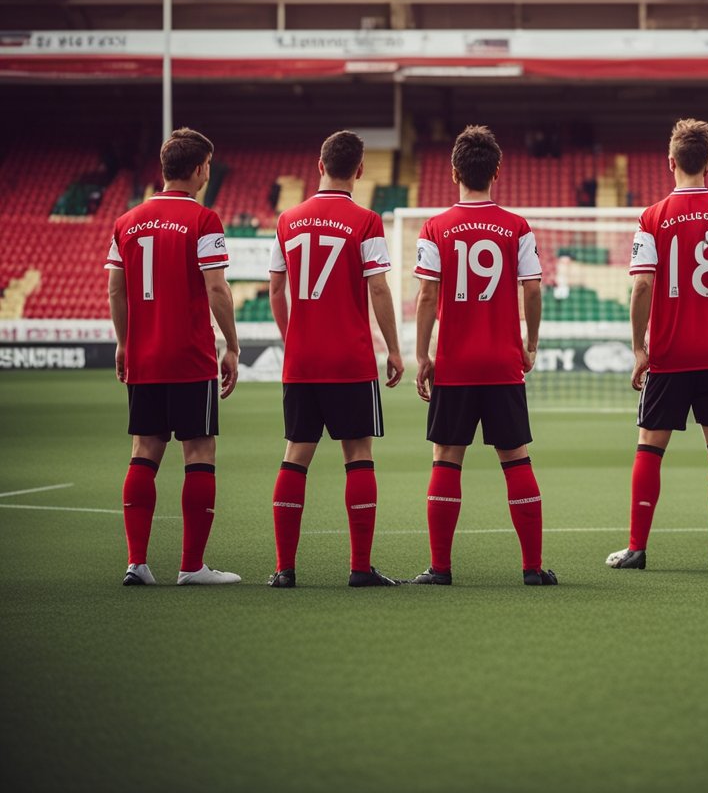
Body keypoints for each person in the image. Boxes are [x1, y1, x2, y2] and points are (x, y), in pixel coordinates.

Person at [606, 118, 708, 574]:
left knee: (649, 448)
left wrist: (640, 348)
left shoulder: (651, 216)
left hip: (671, 354)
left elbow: (641, 286)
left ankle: (636, 548)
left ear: (670, 162)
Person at [411, 125, 557, 587]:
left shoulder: (435, 227)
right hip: (501, 363)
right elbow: (532, 288)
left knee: (446, 458)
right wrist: (529, 344)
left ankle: (440, 568)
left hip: (455, 363)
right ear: (496, 170)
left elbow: (427, 298)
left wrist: (422, 356)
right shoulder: (517, 226)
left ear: (454, 170)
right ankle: (532, 568)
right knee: (516, 459)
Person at [265, 131, 405, 589]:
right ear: (360, 170)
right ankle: (360, 568)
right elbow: (379, 287)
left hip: (302, 361)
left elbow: (275, 287)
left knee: (295, 457)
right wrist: (395, 349)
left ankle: (285, 569)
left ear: (318, 164)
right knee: (358, 456)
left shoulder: (287, 220)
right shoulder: (365, 221)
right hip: (349, 360)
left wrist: (293, 338)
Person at [106, 127, 241, 586]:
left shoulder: (126, 222)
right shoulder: (203, 220)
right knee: (199, 450)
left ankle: (137, 563)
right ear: (201, 169)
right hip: (189, 356)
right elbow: (217, 287)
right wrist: (232, 345)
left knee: (144, 451)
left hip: (144, 355)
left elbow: (115, 289)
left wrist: (125, 343)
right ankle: (191, 566)